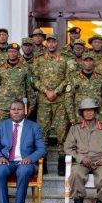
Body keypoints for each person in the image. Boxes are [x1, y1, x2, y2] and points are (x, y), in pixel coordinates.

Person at [0, 100, 46, 203]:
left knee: (23, 170)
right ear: (9, 111)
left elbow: (41, 149)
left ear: (24, 111)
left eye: (19, 109)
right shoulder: (2, 125)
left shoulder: (34, 126)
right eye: (13, 109)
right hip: (7, 161)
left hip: (25, 162)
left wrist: (30, 158)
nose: (16, 111)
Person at [32, 34, 69, 174]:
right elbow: (34, 79)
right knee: (42, 132)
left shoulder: (64, 60)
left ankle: (62, 161)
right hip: (44, 101)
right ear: (46, 44)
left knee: (61, 131)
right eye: (49, 42)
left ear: (57, 43)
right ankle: (43, 162)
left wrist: (56, 91)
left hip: (60, 101)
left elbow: (68, 78)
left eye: (54, 41)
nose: (51, 44)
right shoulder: (39, 60)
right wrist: (46, 91)